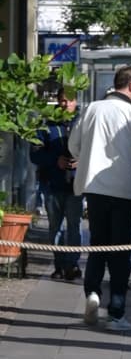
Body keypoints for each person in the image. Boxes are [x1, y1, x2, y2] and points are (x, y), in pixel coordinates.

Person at [69, 66, 131, 331]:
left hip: (94, 188)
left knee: (98, 244)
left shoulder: (92, 109)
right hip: (124, 190)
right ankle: (116, 312)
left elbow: (73, 146)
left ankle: (92, 293)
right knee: (120, 251)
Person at [31, 88, 82, 281]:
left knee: (74, 226)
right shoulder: (47, 126)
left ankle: (73, 264)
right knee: (55, 226)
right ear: (58, 102)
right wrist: (55, 160)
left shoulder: (82, 124)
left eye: (70, 100)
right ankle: (59, 264)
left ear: (76, 102)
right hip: (53, 184)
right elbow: (35, 154)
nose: (66, 104)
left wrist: (81, 160)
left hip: (76, 185)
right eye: (62, 100)